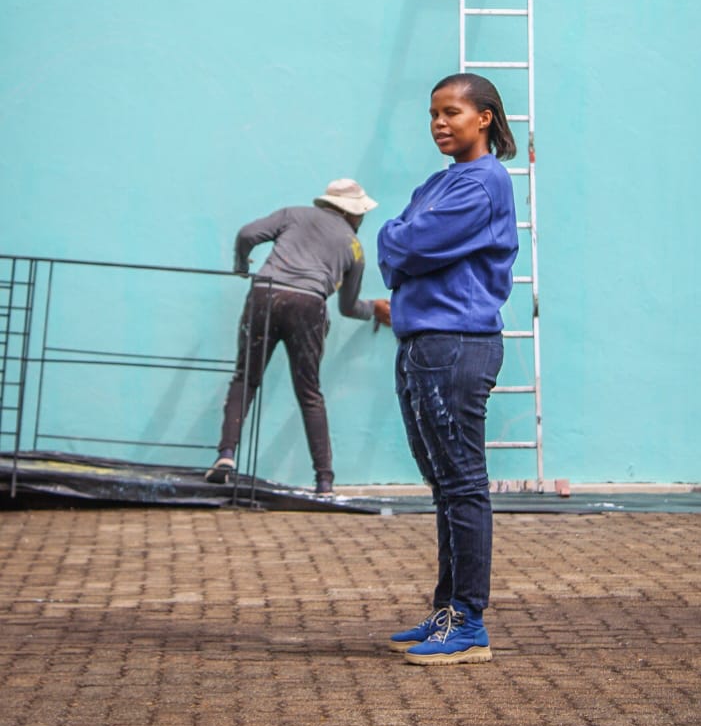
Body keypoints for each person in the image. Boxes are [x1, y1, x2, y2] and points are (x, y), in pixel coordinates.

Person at [377, 74, 519, 665]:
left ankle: (469, 622)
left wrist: (400, 239)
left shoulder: (484, 182)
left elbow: (406, 245)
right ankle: (447, 610)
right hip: (423, 341)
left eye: (452, 112)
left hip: (456, 344)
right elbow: (396, 244)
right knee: (444, 485)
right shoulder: (439, 183)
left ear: (484, 117)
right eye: (433, 114)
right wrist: (399, 240)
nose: (439, 123)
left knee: (461, 483)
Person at [206, 178, 391, 494]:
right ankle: (324, 480)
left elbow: (247, 234)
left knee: (245, 379)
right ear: (352, 213)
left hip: (265, 294)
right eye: (361, 213)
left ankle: (225, 456)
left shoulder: (293, 214)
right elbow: (347, 307)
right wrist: (373, 308)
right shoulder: (354, 247)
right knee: (309, 392)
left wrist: (241, 266)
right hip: (308, 305)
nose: (361, 219)